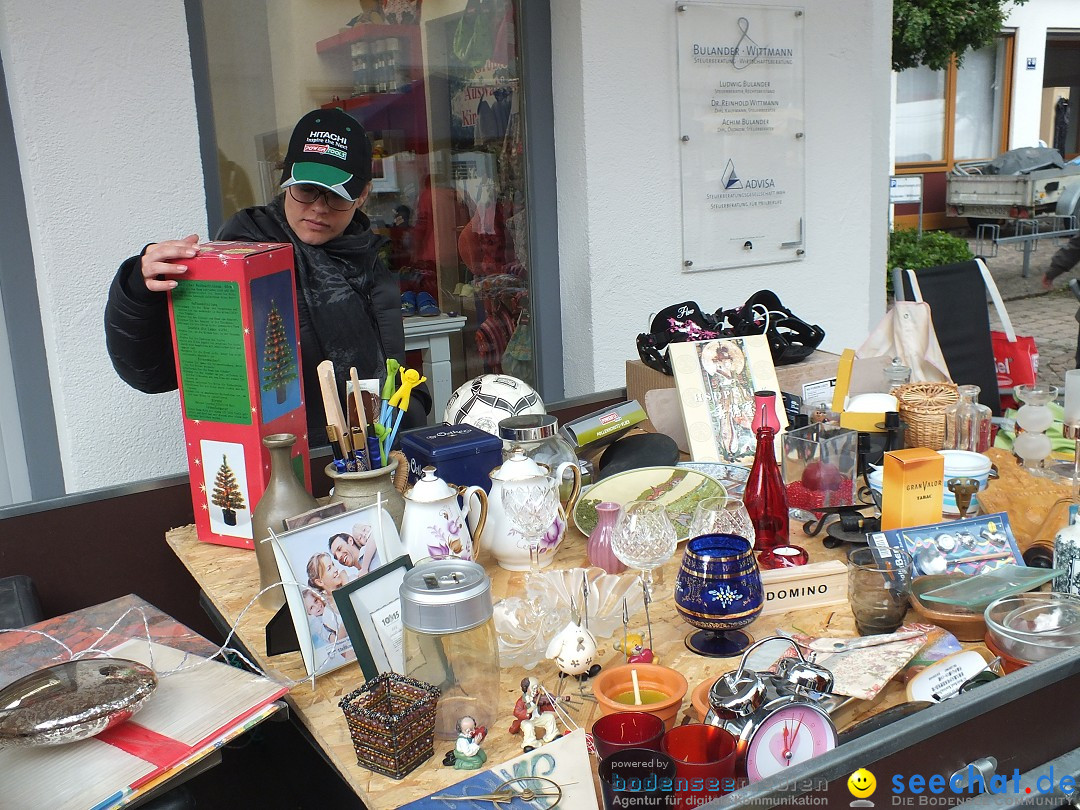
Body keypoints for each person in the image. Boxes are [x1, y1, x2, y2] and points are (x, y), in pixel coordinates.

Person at [104, 108, 430, 446]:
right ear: (285, 180)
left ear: (362, 194)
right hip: (287, 469)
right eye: (306, 189)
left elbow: (390, 367)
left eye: (336, 194)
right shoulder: (244, 258)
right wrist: (138, 290)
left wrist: (413, 409)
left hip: (373, 462)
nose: (318, 207)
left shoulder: (369, 260)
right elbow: (152, 373)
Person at [508, 676, 559, 752]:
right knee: (528, 726)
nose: (536, 690)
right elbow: (516, 712)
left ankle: (552, 735)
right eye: (533, 688)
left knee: (549, 717)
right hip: (527, 720)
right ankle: (530, 743)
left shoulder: (538, 697)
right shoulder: (521, 701)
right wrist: (528, 711)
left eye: (537, 688)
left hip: (537, 718)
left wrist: (555, 701)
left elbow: (546, 701)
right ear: (526, 689)